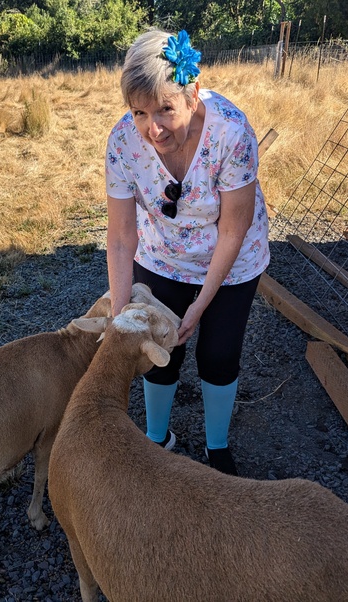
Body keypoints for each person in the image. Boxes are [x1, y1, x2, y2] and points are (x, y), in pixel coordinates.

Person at [105, 29, 270, 476]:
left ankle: (216, 446)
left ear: (192, 94)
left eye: (165, 110)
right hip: (161, 256)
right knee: (158, 350)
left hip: (231, 261)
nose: (152, 128)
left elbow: (234, 229)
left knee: (217, 354)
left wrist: (201, 302)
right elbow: (121, 236)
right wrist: (123, 315)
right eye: (139, 112)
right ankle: (157, 437)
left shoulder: (232, 133)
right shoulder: (122, 142)